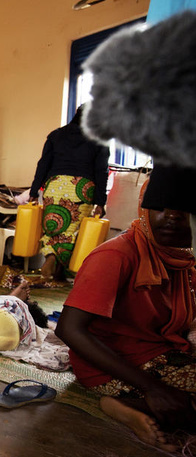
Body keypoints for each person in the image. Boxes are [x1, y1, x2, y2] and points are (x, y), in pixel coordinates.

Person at [55, 173, 195, 453]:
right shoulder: (117, 255)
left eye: (183, 209)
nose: (172, 216)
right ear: (144, 208)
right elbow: (68, 328)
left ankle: (143, 405)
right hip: (109, 365)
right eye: (160, 207)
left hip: (156, 351)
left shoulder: (182, 260)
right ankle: (123, 405)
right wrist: (154, 388)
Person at [30, 104, 110, 280]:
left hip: (55, 186)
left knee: (53, 228)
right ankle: (53, 263)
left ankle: (54, 266)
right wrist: (100, 202)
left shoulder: (56, 135)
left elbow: (43, 164)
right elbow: (101, 172)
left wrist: (34, 191)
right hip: (80, 189)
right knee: (72, 232)